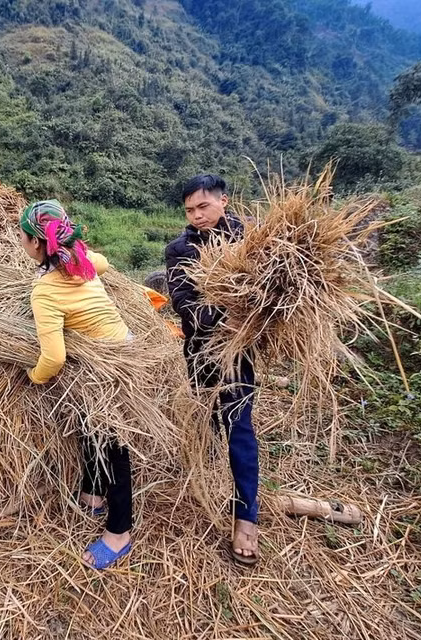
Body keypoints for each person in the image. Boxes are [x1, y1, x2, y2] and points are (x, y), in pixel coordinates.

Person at [19, 199, 133, 571]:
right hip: (118, 352)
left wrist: (32, 377)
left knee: (115, 447)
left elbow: (54, 358)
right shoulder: (82, 262)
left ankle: (120, 533)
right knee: (90, 428)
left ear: (37, 244)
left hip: (113, 371)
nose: (21, 242)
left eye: (23, 237)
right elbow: (104, 263)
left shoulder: (45, 292)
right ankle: (93, 493)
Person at [164, 174, 260, 566]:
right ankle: (201, 475)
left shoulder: (253, 239)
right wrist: (232, 303)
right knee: (205, 416)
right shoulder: (179, 249)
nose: (197, 215)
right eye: (190, 210)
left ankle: (246, 518)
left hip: (239, 352)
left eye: (203, 206)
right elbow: (188, 311)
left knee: (238, 427)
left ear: (223, 201)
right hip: (200, 351)